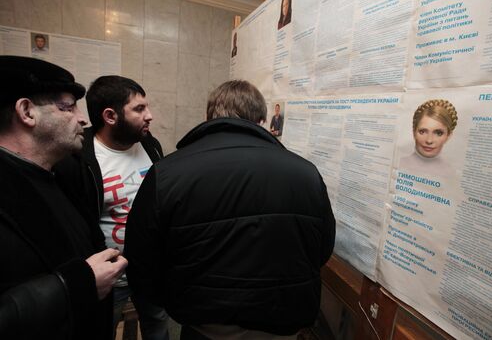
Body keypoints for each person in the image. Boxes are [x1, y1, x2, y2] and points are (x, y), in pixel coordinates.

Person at [125, 80, 336, 339]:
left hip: (204, 325)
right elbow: (322, 247)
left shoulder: (167, 172)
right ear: (261, 120)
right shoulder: (306, 173)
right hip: (282, 324)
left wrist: (171, 298)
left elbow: (141, 257)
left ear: (209, 117)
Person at [0, 55, 127, 340]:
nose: (82, 118)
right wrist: (76, 284)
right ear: (27, 112)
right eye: (68, 107)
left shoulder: (62, 173)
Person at [53, 75, 169, 340]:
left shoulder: (150, 145)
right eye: (139, 109)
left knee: (157, 325)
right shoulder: (78, 157)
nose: (149, 116)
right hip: (109, 277)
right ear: (110, 116)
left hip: (148, 270)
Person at [399, 99, 458, 177]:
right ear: (414, 132)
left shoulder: (452, 173)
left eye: (438, 133)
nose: (429, 140)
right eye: (422, 132)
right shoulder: (398, 164)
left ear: (448, 136)